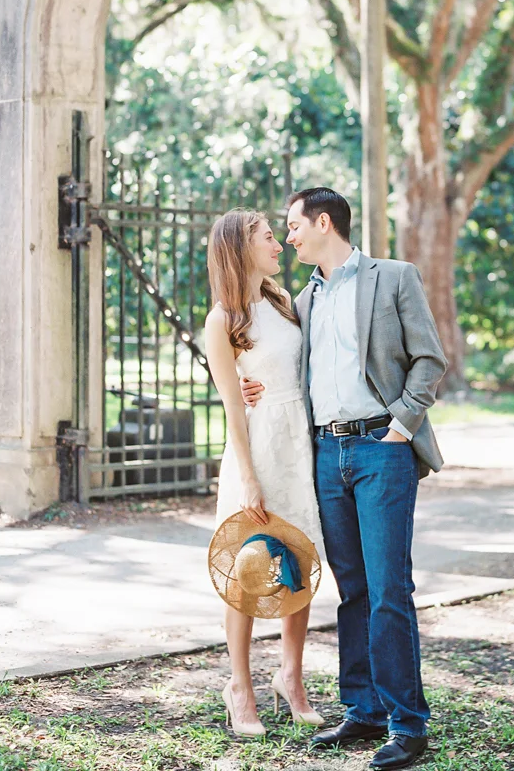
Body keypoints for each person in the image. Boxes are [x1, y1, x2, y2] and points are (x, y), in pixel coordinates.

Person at [241, 187, 446, 770]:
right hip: (326, 455)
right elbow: (273, 359)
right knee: (351, 590)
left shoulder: (394, 277)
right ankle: (363, 711)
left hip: (383, 448)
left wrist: (402, 428)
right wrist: (252, 386)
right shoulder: (299, 302)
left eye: (293, 226)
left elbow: (429, 359)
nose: (288, 238)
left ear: (322, 222)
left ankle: (408, 724)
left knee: (388, 589)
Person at [205, 209, 325, 737]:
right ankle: (240, 686)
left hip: (300, 443)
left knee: (300, 559)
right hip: (258, 448)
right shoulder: (222, 320)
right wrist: (249, 476)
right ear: (240, 247)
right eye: (269, 237)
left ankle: (291, 677)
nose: (280, 244)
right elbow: (233, 405)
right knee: (249, 570)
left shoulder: (284, 303)